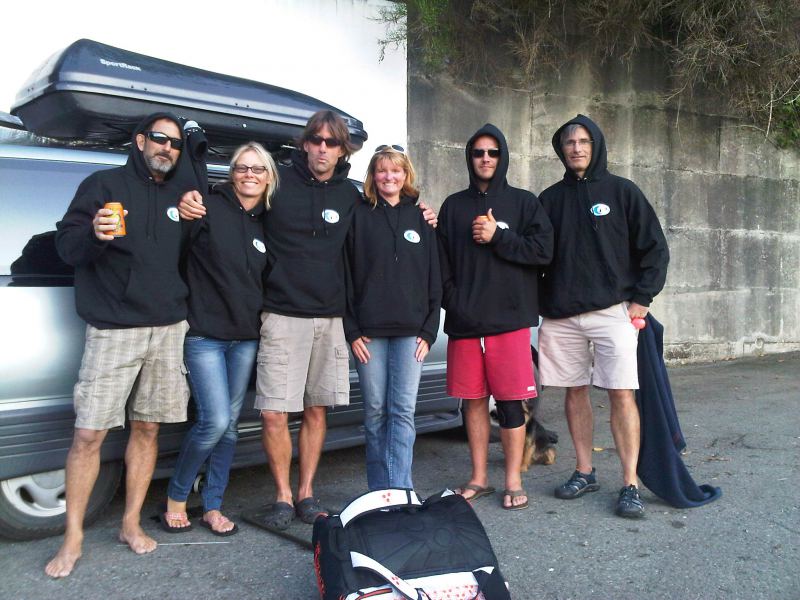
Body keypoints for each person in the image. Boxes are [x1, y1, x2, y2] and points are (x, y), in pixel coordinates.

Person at [178, 111, 437, 530]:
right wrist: (192, 197)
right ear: (305, 143)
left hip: (332, 318)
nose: (321, 148)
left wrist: (422, 211)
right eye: (315, 140)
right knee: (275, 412)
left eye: (331, 142)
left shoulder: (353, 197)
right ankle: (282, 496)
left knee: (317, 411)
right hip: (281, 315)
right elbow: (238, 196)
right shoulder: (277, 183)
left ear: (342, 150)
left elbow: (389, 212)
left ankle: (306, 494)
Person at [46, 113, 194, 577]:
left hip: (168, 329)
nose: (166, 148)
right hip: (113, 328)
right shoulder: (102, 185)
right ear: (139, 141)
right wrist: (94, 235)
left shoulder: (182, 196)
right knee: (89, 434)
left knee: (148, 430)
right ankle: (72, 537)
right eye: (158, 139)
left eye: (174, 143)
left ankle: (130, 524)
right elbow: (66, 247)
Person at [537, 114, 669, 518]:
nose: (576, 148)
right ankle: (584, 469)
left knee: (621, 393)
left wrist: (641, 301)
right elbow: (533, 254)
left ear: (596, 145)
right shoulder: (548, 200)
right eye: (569, 142)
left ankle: (629, 482)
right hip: (561, 316)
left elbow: (655, 249)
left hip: (613, 312)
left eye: (583, 141)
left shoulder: (622, 191)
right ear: (561, 149)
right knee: (573, 391)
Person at [161, 143, 278, 536]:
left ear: (268, 176)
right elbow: (172, 239)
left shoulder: (268, 221)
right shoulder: (206, 206)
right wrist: (182, 201)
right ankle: (177, 497)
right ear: (231, 173)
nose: (249, 175)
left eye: (258, 169)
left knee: (229, 427)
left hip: (245, 338)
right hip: (205, 336)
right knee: (215, 420)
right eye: (242, 168)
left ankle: (213, 504)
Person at [437, 124, 553, 510]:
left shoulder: (524, 203)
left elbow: (543, 251)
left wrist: (498, 236)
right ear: (469, 158)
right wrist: (453, 301)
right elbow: (442, 263)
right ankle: (479, 478)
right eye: (478, 153)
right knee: (472, 401)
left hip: (510, 321)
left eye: (493, 153)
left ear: (503, 157)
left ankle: (513, 479)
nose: (485, 159)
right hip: (466, 322)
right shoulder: (453, 206)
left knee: (509, 403)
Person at [345, 145, 441, 490]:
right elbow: (346, 275)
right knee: (374, 413)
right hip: (369, 334)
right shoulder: (358, 215)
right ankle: (378, 490)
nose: (389, 176)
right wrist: (352, 329)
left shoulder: (422, 218)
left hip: (411, 334)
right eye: (382, 170)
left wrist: (430, 330)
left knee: (402, 412)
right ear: (373, 175)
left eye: (396, 170)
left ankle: (401, 490)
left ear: (406, 175)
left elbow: (434, 277)